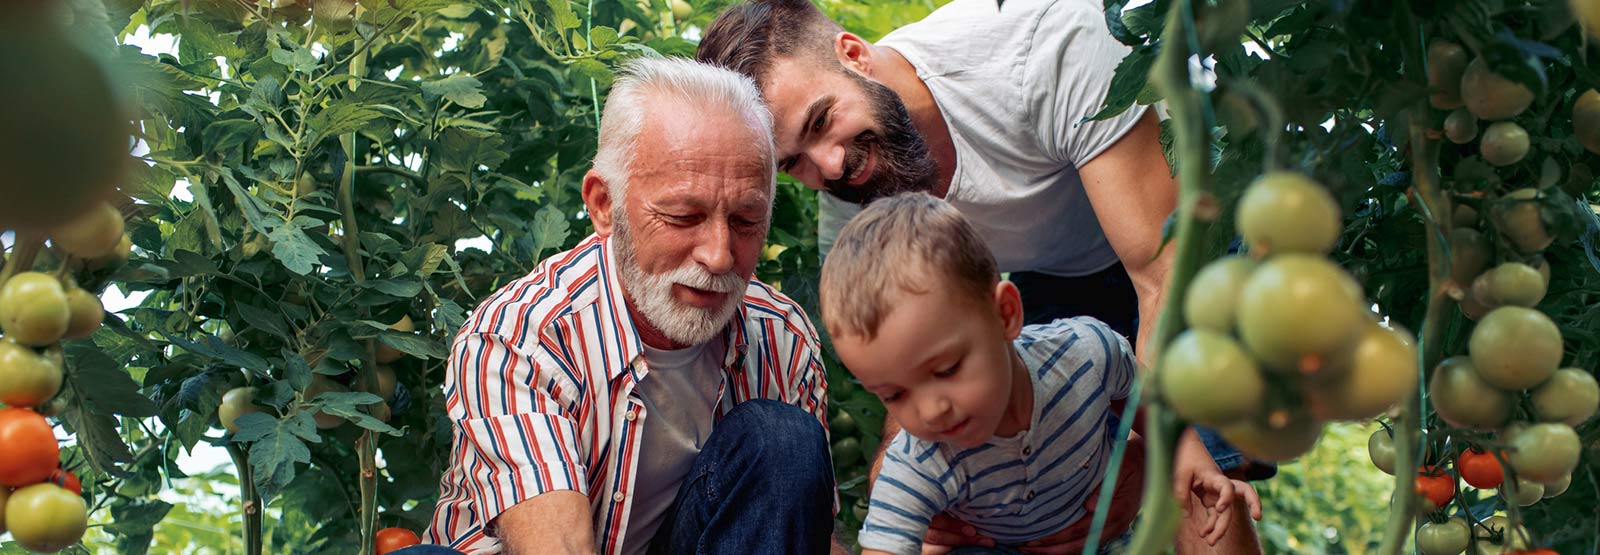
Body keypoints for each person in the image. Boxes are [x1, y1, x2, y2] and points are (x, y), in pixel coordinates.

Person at [696, 0, 1266, 552]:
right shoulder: (853, 201)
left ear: (854, 54)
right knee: (1034, 503)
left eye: (821, 121)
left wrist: (1146, 450)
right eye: (793, 162)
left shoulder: (1047, 47)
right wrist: (913, 490)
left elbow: (1160, 279)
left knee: (1201, 469)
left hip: (1178, 238)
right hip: (1052, 269)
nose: (829, 165)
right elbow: (907, 362)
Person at [400, 57, 843, 555]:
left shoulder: (781, 336)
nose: (719, 256)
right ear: (604, 205)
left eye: (745, 221)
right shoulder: (519, 337)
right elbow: (556, 548)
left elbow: (804, 539)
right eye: (683, 216)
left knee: (780, 439)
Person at [822, 193, 1249, 555]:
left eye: (947, 369)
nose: (930, 412)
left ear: (1005, 314)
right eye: (894, 396)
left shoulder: (1084, 353)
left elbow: (1139, 394)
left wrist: (1186, 455)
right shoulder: (917, 463)